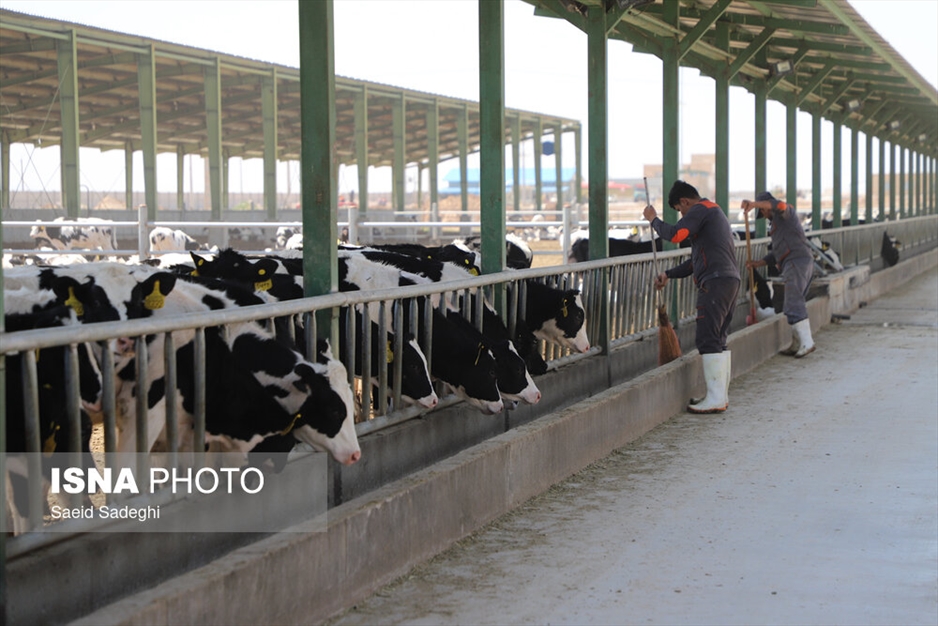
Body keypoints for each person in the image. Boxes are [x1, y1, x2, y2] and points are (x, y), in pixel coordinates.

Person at [643, 180, 740, 414]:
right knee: (718, 340)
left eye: (679, 210)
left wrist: (653, 220)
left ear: (685, 202)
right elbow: (694, 262)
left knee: (707, 339)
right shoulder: (712, 213)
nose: (681, 215)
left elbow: (676, 235)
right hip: (728, 280)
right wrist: (668, 274)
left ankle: (715, 399)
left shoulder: (700, 210)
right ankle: (720, 396)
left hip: (715, 283)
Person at [740, 191, 815, 358]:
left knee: (793, 301)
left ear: (767, 205)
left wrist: (753, 204)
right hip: (794, 263)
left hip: (797, 262)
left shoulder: (785, 214)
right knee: (793, 303)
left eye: (764, 210)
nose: (764, 214)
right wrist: (758, 263)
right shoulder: (777, 226)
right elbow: (777, 254)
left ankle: (807, 342)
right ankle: (797, 342)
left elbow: (780, 205)